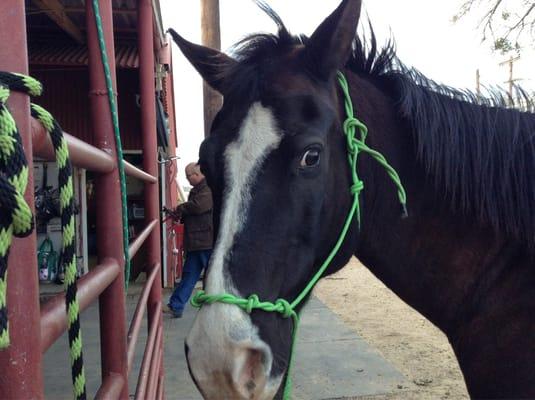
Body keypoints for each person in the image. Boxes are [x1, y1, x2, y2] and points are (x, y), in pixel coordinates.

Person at [165, 162, 213, 318]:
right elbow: (195, 208)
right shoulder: (199, 190)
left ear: (197, 174)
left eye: (188, 176)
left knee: (209, 277)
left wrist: (180, 208)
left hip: (205, 241)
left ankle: (215, 307)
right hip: (198, 241)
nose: (187, 179)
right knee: (189, 276)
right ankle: (176, 306)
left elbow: (199, 207)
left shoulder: (208, 189)